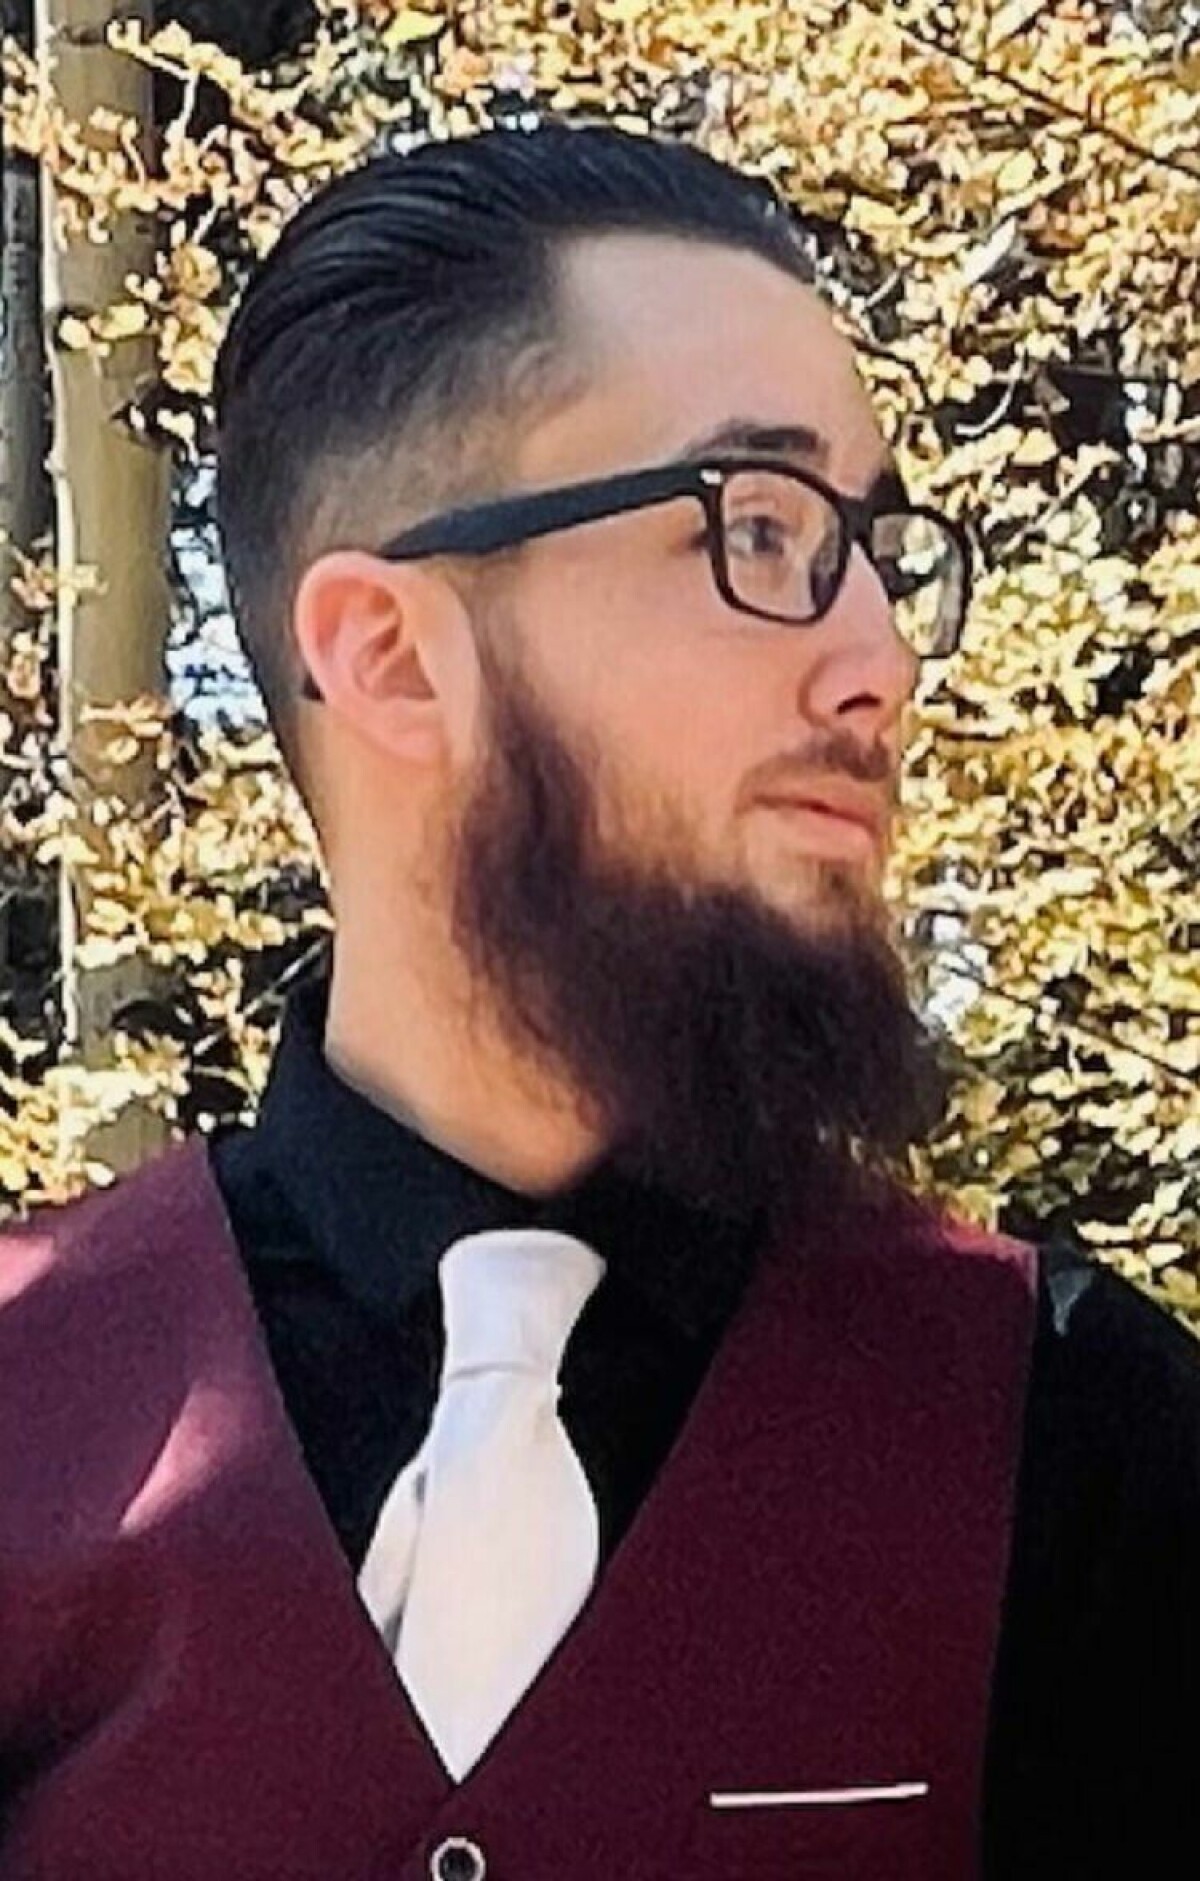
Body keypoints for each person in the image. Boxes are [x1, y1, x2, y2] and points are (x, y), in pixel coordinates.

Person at [0, 121, 1195, 1881]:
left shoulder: (1086, 1437)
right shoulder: (25, 1398)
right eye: (761, 526)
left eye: (877, 550)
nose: (879, 659)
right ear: (392, 657)